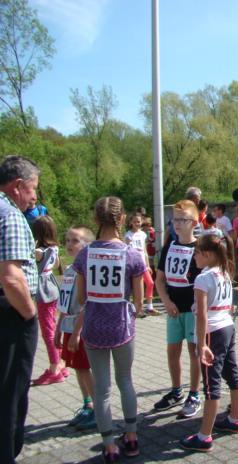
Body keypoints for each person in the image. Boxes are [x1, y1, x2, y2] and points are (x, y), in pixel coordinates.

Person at [71, 196, 145, 462]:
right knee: (125, 381)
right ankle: (132, 436)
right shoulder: (132, 254)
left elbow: (81, 297)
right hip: (122, 326)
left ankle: (109, 445)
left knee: (101, 389)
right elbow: (139, 302)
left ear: (95, 219)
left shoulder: (85, 254)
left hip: (93, 326)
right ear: (122, 218)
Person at [179, 232, 238, 452]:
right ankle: (234, 419)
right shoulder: (225, 270)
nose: (194, 257)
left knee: (211, 384)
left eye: (197, 253)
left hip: (212, 332)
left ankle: (204, 436)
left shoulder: (203, 278)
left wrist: (201, 344)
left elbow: (202, 315)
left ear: (207, 254)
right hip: (227, 327)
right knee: (233, 374)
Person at [0, 156, 40, 464]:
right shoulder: (10, 215)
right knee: (11, 389)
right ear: (17, 186)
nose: (34, 196)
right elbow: (11, 276)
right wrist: (30, 313)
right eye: (33, 188)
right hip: (11, 314)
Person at [153, 200, 203, 418]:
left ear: (194, 223)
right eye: (175, 219)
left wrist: (199, 305)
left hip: (193, 310)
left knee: (194, 352)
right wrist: (166, 301)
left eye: (183, 219)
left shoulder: (200, 249)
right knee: (172, 351)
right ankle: (176, 391)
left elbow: (206, 281)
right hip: (174, 309)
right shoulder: (169, 247)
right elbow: (159, 280)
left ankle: (194, 393)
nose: (177, 224)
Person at [55, 225, 97, 430]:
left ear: (87, 245)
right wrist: (58, 328)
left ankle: (98, 410)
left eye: (75, 241)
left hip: (81, 328)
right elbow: (64, 303)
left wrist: (77, 333)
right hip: (68, 326)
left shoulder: (87, 270)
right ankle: (87, 404)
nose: (69, 244)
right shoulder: (70, 270)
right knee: (78, 367)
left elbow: (86, 304)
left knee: (85, 367)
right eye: (67, 240)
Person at [31, 215, 66, 386]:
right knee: (52, 326)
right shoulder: (55, 248)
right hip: (52, 286)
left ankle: (54, 368)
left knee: (48, 331)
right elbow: (56, 264)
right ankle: (60, 363)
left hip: (43, 290)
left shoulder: (38, 252)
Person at [125, 212, 159, 316]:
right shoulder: (128, 235)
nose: (137, 223)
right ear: (131, 222)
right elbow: (127, 251)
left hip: (143, 264)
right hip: (133, 265)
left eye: (139, 221)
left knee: (150, 283)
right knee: (135, 287)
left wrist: (148, 265)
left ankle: (150, 307)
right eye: (135, 222)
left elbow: (144, 251)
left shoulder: (143, 234)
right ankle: (136, 309)